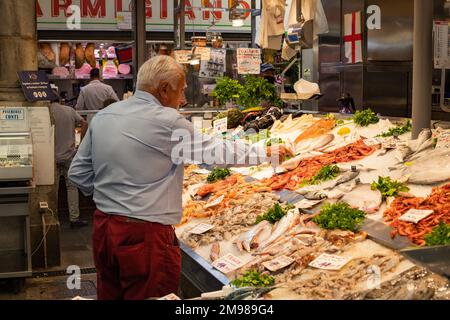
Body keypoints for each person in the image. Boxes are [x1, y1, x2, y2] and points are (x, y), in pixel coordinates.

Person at [68, 55, 292, 300]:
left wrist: (111, 197)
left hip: (104, 230)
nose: (183, 99)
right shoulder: (167, 121)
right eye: (181, 91)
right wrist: (266, 153)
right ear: (164, 89)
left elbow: (77, 172)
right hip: (146, 236)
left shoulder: (104, 116)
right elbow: (215, 153)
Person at [50, 91, 89, 229]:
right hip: (69, 155)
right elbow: (84, 123)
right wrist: (82, 143)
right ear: (59, 99)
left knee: (52, 188)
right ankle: (74, 218)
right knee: (72, 187)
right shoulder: (69, 110)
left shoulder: (46, 112)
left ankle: (52, 218)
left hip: (51, 157)